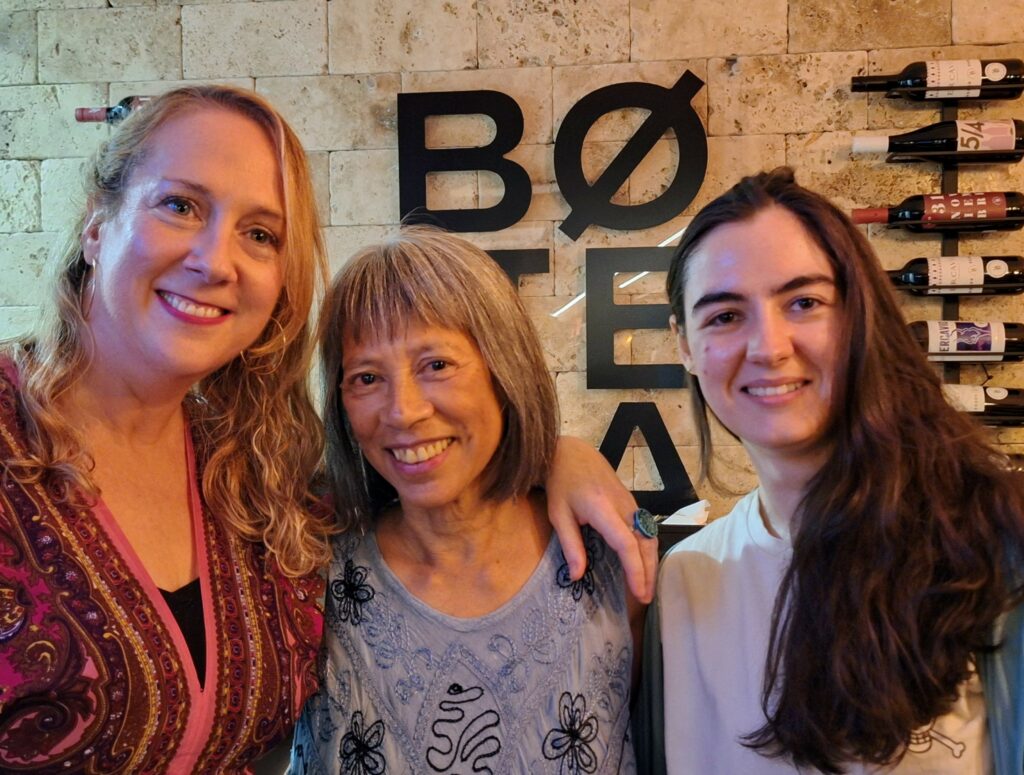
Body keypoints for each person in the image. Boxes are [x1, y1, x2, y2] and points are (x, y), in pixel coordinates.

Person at [0, 86, 654, 773]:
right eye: (179, 204)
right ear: (96, 224)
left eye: (259, 233)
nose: (216, 261)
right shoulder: (328, 550)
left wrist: (559, 452)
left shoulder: (253, 488)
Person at [637, 168, 1024, 774]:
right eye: (724, 315)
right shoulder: (689, 579)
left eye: (804, 303)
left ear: (859, 319)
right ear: (683, 345)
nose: (768, 346)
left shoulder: (993, 546)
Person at [291, 228, 645, 774]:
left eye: (436, 364)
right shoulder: (309, 572)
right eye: (366, 377)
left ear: (505, 372)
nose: (403, 411)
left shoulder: (609, 562)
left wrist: (560, 451)